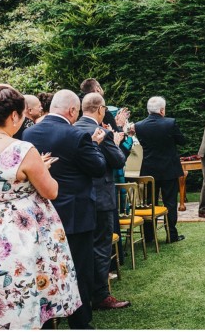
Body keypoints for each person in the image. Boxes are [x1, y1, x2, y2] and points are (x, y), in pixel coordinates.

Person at [0, 85, 82, 329]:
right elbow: (51, 191)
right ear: (14, 115)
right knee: (22, 281)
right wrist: (42, 170)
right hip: (17, 230)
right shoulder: (22, 149)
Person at [23, 89, 106, 329]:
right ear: (72, 111)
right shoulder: (77, 135)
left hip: (41, 212)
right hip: (75, 213)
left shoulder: (29, 132)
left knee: (46, 267)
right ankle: (80, 321)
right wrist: (94, 145)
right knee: (79, 267)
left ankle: (48, 320)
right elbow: (98, 168)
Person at [74, 93, 131, 310]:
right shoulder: (103, 133)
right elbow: (117, 161)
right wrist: (115, 142)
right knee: (101, 247)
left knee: (81, 248)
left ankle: (81, 294)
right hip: (100, 199)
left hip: (76, 199)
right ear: (100, 110)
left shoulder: (72, 129)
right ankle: (100, 295)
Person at [132, 96, 186, 242]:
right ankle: (171, 235)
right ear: (162, 110)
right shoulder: (170, 123)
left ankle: (149, 236)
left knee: (150, 202)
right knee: (170, 203)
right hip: (169, 168)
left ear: (148, 110)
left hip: (149, 169)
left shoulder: (139, 125)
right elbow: (182, 141)